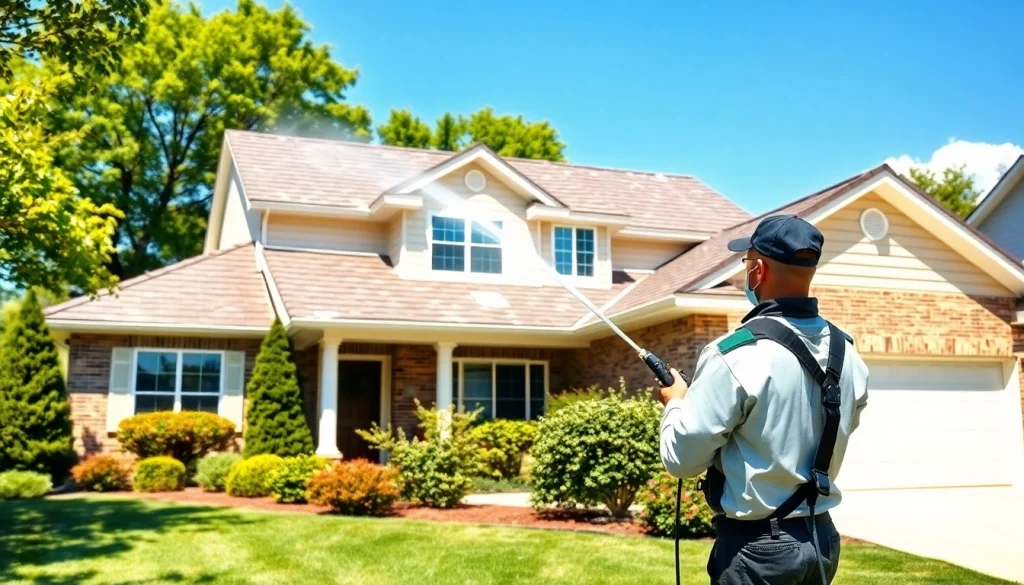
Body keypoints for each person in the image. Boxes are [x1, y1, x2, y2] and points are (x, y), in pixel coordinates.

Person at [658, 215, 869, 585]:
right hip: (822, 539)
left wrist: (676, 402)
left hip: (758, 551)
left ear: (757, 270)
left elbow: (682, 460)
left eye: (746, 263)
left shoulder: (736, 353)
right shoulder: (847, 351)